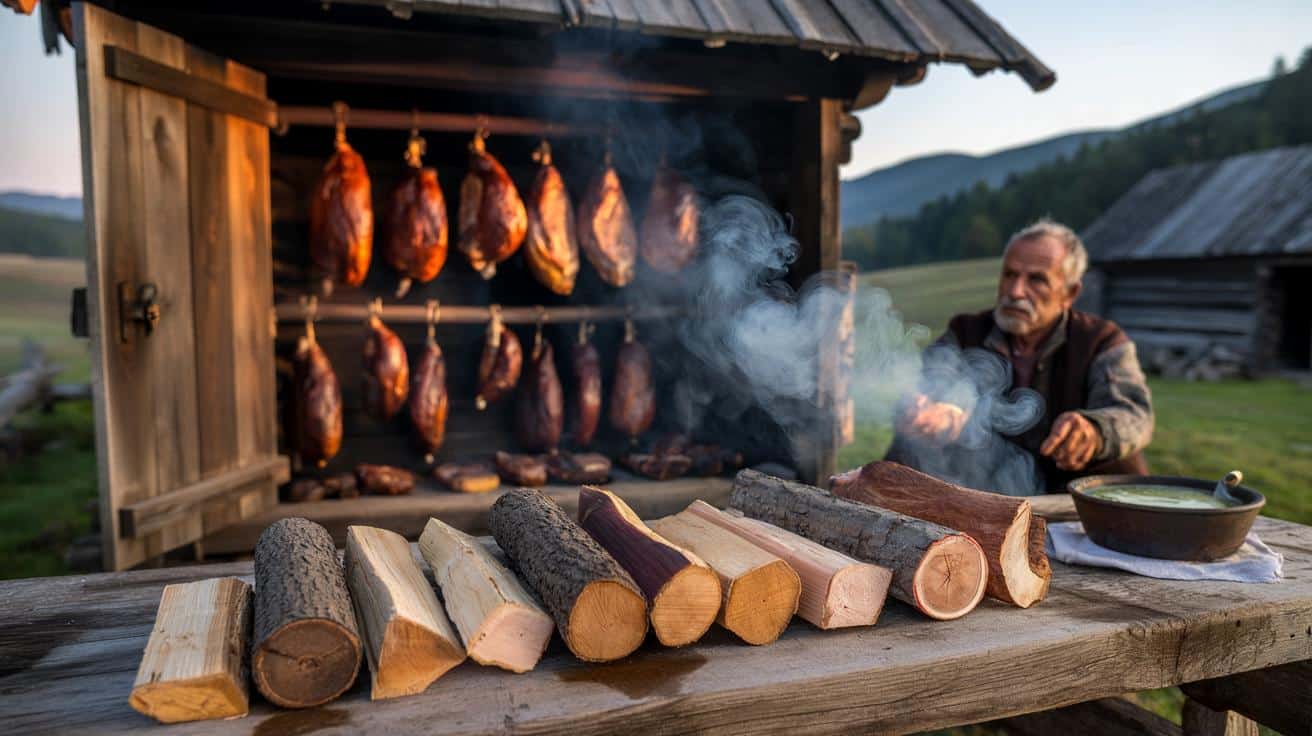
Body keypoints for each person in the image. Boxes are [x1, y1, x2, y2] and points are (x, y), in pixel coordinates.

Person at [887, 218, 1153, 494]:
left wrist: (1096, 432)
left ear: (1070, 293)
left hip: (1076, 505)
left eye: (1036, 279)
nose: (1015, 291)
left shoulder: (1100, 340)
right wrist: (926, 410)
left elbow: (1134, 414)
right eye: (1010, 275)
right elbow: (922, 387)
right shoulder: (966, 332)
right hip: (983, 499)